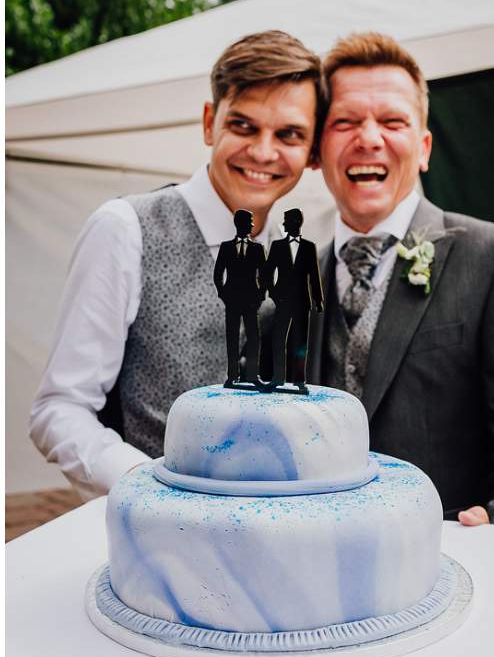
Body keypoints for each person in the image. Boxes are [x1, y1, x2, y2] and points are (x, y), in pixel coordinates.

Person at [30, 31, 323, 498]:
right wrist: (145, 484)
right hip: (144, 538)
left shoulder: (296, 255)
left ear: (311, 154)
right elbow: (58, 410)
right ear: (210, 123)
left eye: (288, 134)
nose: (264, 152)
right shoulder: (124, 229)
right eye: (243, 126)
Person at [306, 31, 494, 528]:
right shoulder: (296, 281)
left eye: (392, 121)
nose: (369, 138)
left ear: (423, 147)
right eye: (345, 122)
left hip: (451, 565)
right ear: (319, 149)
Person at [266, 207, 323, 390]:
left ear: (296, 222)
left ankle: (299, 381)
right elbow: (267, 273)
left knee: (300, 344)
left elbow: (314, 275)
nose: (283, 224)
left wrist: (318, 299)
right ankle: (277, 378)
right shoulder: (277, 246)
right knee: (278, 340)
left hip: (301, 302)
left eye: (286, 220)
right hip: (282, 301)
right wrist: (273, 294)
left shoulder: (308, 247)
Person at [213, 209, 267, 386]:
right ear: (239, 224)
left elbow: (264, 275)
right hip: (232, 299)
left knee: (253, 338)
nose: (251, 225)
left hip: (252, 301)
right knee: (232, 337)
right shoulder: (226, 247)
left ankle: (253, 375)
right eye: (248, 222)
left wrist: (260, 295)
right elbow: (218, 273)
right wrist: (223, 294)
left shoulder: (258, 248)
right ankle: (232, 376)